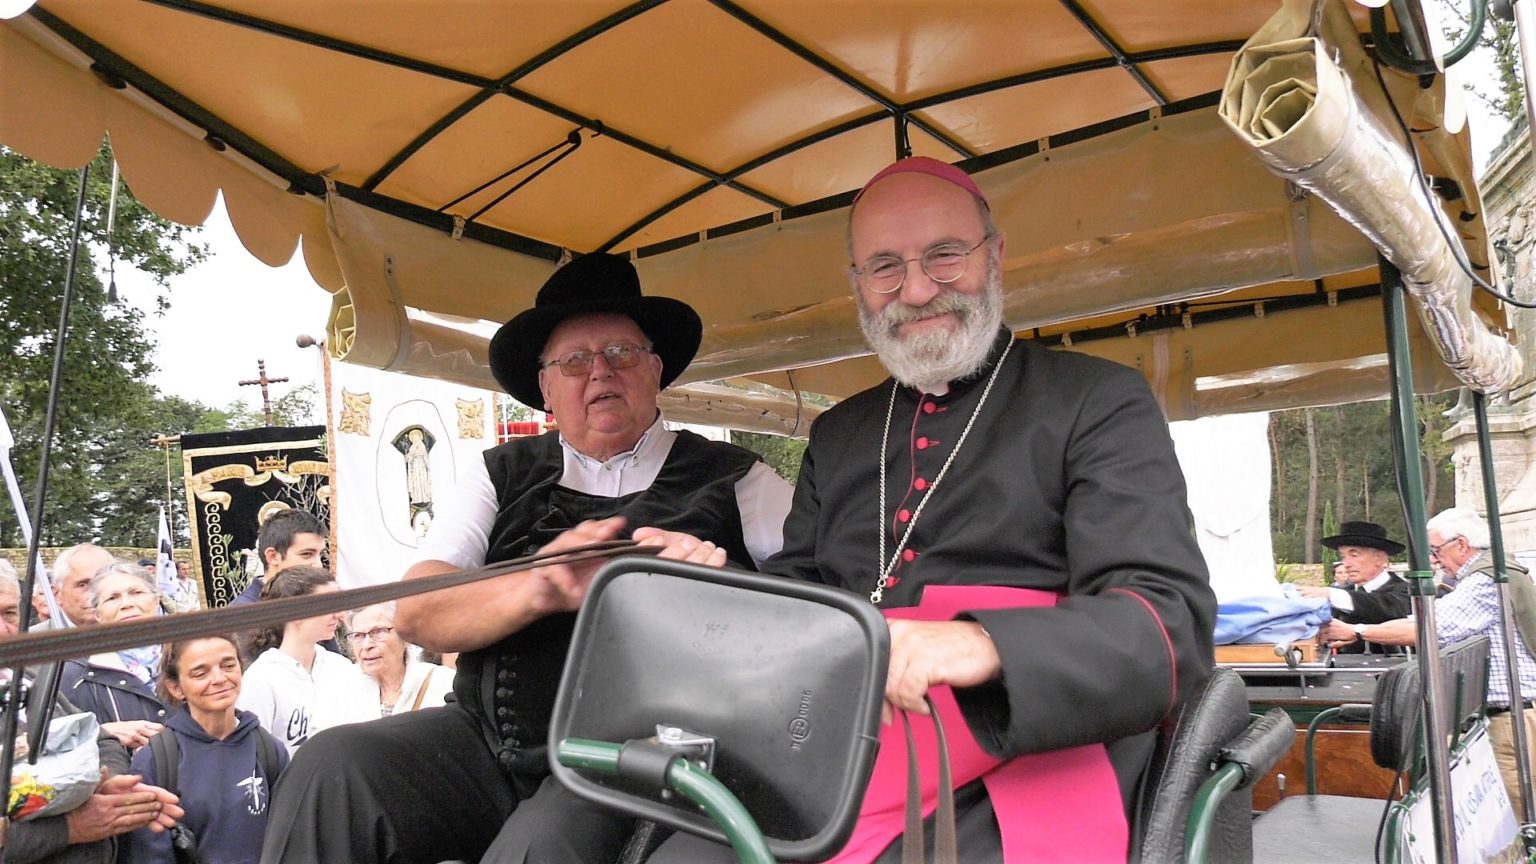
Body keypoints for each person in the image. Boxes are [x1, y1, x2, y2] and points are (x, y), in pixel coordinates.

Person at [630, 157, 1215, 862]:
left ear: (993, 255)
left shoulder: (1097, 400)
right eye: (884, 267)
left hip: (1024, 742)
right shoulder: (841, 432)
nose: (914, 289)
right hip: (846, 742)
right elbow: (804, 600)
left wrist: (981, 644)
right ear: (858, 284)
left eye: (943, 256)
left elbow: (1164, 620)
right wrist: (712, 585)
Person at [260, 253, 795, 864]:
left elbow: (818, 613)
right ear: (546, 387)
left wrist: (722, 582)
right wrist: (541, 588)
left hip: (646, 760)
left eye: (620, 353)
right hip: (489, 744)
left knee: (538, 849)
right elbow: (417, 614)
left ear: (656, 369)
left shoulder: (737, 479)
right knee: (332, 768)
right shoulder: (498, 473)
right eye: (574, 361)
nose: (600, 373)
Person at [1321, 507, 1536, 812]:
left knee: (1514, 817)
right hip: (1505, 716)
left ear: (1461, 544)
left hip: (1509, 720)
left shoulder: (1484, 582)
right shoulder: (1492, 573)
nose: (1433, 560)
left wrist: (1356, 629)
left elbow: (1424, 628)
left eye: (1436, 550)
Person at [0, 567, 184, 864]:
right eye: (112, 597)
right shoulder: (72, 672)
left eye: (9, 614)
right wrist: (70, 828)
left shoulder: (27, 678)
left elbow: (100, 740)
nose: (4, 630)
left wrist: (105, 785)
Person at [117, 635, 289, 864]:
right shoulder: (155, 761)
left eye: (228, 665)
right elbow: (147, 853)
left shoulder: (268, 750)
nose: (219, 678)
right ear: (176, 687)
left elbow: (288, 838)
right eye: (200, 673)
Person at [235, 566, 373, 753]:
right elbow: (254, 753)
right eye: (329, 606)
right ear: (296, 611)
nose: (339, 614)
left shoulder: (340, 667)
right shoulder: (261, 678)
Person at [59, 563, 169, 751]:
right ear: (97, 614)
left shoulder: (190, 655)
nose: (127, 604)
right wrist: (102, 733)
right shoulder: (74, 674)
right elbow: (57, 742)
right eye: (112, 598)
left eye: (136, 593)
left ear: (156, 599)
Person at [1298, 520, 1412, 654]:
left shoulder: (1406, 591)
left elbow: (1387, 608)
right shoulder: (1344, 594)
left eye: (1354, 555)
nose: (1346, 564)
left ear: (1379, 558)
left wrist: (1331, 594)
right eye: (1343, 556)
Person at [345, 603, 452, 717]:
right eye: (358, 636)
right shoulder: (342, 688)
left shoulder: (442, 681)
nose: (366, 645)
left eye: (379, 631)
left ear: (404, 636)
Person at [229, 509, 326, 607]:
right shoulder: (244, 613)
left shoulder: (309, 602)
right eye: (307, 554)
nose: (318, 565)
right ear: (273, 556)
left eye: (320, 554)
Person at [45, 544, 114, 628]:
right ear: (57, 594)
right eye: (83, 585)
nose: (96, 594)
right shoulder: (34, 638)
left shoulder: (131, 633)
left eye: (104, 582)